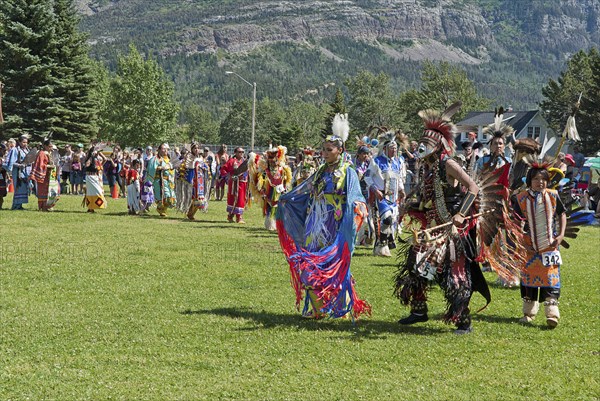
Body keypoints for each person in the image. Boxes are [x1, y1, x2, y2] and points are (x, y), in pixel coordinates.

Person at [394, 102, 488, 334]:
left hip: (453, 229)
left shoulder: (449, 163)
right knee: (415, 266)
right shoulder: (428, 167)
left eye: (427, 144)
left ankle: (463, 320)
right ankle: (419, 310)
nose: (423, 147)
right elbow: (430, 200)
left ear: (438, 145)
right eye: (422, 143)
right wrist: (412, 206)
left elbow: (473, 187)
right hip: (433, 227)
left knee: (453, 273)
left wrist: (460, 214)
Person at [276, 113, 370, 319]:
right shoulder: (320, 172)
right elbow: (304, 189)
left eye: (329, 150)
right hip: (314, 225)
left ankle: (339, 307)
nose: (325, 153)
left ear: (340, 150)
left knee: (333, 265)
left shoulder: (348, 172)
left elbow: (357, 199)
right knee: (310, 263)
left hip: (334, 225)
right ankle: (318, 309)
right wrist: (287, 198)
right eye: (323, 149)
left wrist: (354, 216)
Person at [511, 164, 566, 328]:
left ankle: (552, 314)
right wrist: (520, 241)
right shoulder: (521, 199)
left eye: (543, 179)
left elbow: (561, 214)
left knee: (551, 278)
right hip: (529, 246)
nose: (540, 182)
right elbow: (515, 223)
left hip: (550, 245)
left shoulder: (553, 196)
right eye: (536, 179)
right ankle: (529, 313)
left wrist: (561, 235)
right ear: (529, 180)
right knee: (529, 280)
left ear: (548, 181)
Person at [364, 130, 406, 257]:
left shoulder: (398, 162)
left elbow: (398, 178)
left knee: (391, 221)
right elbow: (367, 177)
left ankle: (381, 245)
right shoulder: (376, 161)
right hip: (381, 195)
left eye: (395, 148)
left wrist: (402, 190)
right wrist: (375, 190)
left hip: (393, 197)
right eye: (391, 148)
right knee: (387, 218)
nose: (394, 150)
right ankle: (382, 244)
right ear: (385, 148)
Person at [248, 145, 293, 230]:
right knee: (269, 208)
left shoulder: (282, 169)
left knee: (279, 208)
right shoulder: (265, 171)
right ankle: (270, 224)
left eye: (274, 161)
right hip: (268, 192)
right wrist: (261, 189)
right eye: (271, 162)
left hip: (280, 192)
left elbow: (285, 180)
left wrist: (285, 188)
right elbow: (259, 180)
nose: (273, 163)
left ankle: (279, 224)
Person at [176, 142, 208, 220]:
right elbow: (187, 166)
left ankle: (191, 214)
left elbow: (204, 166)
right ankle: (190, 213)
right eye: (194, 148)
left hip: (200, 180)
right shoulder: (189, 157)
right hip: (192, 179)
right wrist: (191, 162)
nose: (196, 150)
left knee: (200, 198)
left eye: (197, 148)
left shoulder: (200, 157)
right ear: (192, 149)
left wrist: (204, 168)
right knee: (193, 198)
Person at [146, 143, 176, 217]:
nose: (165, 150)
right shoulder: (154, 159)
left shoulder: (168, 158)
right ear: (159, 150)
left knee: (169, 196)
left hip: (168, 181)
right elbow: (151, 169)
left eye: (166, 149)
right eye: (163, 148)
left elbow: (173, 166)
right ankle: (161, 210)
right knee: (162, 196)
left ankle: (163, 209)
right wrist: (159, 168)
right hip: (158, 181)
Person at [30, 139, 60, 211]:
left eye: (51, 146)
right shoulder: (42, 153)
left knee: (56, 190)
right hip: (43, 176)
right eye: (49, 146)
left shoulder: (50, 153)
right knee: (44, 191)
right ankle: (44, 206)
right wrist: (48, 166)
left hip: (50, 176)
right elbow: (39, 165)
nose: (51, 148)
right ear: (45, 146)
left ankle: (49, 205)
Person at [3, 134, 32, 210]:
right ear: (19, 142)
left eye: (26, 142)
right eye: (23, 142)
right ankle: (16, 206)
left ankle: (20, 205)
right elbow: (11, 162)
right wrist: (19, 165)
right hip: (18, 173)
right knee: (18, 188)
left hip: (25, 173)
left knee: (23, 188)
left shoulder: (26, 150)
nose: (25, 144)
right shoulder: (15, 150)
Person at [223, 147, 249, 223]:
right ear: (235, 153)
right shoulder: (231, 161)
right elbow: (224, 169)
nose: (241, 153)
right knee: (233, 199)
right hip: (234, 184)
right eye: (239, 152)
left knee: (241, 199)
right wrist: (229, 176)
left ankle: (239, 216)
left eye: (242, 152)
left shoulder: (245, 161)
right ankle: (231, 216)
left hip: (243, 183)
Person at [83, 146, 107, 213]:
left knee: (98, 191)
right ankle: (91, 208)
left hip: (96, 177)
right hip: (90, 177)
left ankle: (91, 207)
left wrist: (99, 152)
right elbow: (87, 165)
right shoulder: (89, 159)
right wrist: (91, 155)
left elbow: (105, 159)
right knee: (92, 192)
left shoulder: (96, 160)